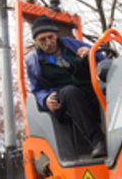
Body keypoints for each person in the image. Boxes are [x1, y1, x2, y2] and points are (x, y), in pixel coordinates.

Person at [25, 15, 107, 158]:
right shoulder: (34, 63)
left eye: (50, 37)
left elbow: (101, 58)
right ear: (35, 42)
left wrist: (90, 54)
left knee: (108, 90)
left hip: (91, 93)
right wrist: (45, 99)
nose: (48, 42)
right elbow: (38, 89)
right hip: (66, 103)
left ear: (56, 34)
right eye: (42, 40)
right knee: (70, 92)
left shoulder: (72, 44)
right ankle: (99, 142)